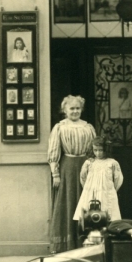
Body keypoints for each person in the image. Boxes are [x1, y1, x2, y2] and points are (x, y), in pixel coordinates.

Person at [48, 95, 96, 253]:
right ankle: (67, 244)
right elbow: (54, 151)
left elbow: (94, 150)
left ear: (81, 109)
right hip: (67, 168)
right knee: (68, 202)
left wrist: (93, 167)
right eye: (71, 108)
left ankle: (86, 242)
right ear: (64, 110)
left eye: (78, 108)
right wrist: (55, 174)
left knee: (87, 202)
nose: (75, 111)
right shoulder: (60, 127)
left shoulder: (88, 127)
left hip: (86, 166)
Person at [74, 136, 123, 222]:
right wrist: (88, 188)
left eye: (101, 150)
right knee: (89, 214)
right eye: (95, 150)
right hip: (91, 192)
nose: (98, 153)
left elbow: (118, 179)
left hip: (106, 192)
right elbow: (83, 177)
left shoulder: (112, 162)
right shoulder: (89, 162)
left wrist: (111, 189)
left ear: (106, 150)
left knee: (107, 213)